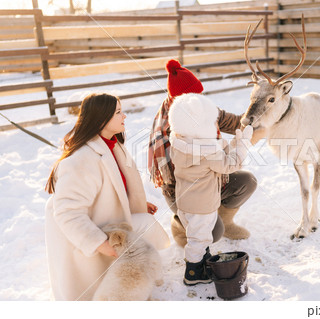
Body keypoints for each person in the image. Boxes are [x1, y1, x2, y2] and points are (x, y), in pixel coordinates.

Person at [44, 93, 170, 301]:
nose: (125, 116)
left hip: (107, 221)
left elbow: (114, 186)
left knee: (146, 225)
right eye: (118, 112)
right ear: (102, 119)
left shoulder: (112, 146)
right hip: (88, 232)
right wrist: (100, 243)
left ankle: (141, 282)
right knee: (144, 230)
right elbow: (68, 213)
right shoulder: (81, 161)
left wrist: (132, 204)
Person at [148, 59, 258, 247]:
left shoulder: (200, 109)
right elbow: (216, 164)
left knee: (247, 182)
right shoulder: (171, 126)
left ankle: (225, 220)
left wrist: (258, 116)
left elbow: (234, 122)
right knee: (212, 234)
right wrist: (236, 149)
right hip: (182, 190)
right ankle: (181, 224)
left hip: (208, 179)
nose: (200, 99)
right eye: (194, 95)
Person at [168, 93, 253, 285]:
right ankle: (193, 273)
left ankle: (201, 259)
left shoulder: (179, 143)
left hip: (185, 203)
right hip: (202, 206)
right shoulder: (207, 152)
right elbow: (230, 165)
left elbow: (218, 153)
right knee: (199, 240)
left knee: (199, 236)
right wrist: (243, 144)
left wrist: (233, 144)